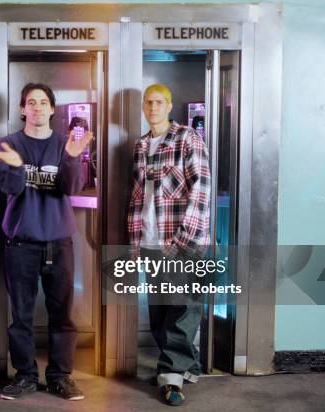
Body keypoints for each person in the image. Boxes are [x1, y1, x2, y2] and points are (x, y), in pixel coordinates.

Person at [0, 83, 92, 401]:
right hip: (20, 243)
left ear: (52, 109)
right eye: (31, 102)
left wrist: (73, 160)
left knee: (62, 313)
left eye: (43, 102)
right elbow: (10, 187)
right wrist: (19, 166)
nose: (37, 107)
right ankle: (25, 376)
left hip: (59, 242)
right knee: (20, 315)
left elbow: (71, 187)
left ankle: (60, 376)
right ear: (23, 109)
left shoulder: (66, 144)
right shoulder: (8, 144)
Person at [127, 84, 211, 406]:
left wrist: (184, 241)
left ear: (170, 105)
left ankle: (172, 377)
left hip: (181, 242)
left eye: (159, 102)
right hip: (150, 241)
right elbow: (139, 198)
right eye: (148, 102)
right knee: (160, 313)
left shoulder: (188, 138)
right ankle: (185, 365)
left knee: (182, 309)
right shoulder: (141, 145)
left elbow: (201, 190)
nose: (153, 107)